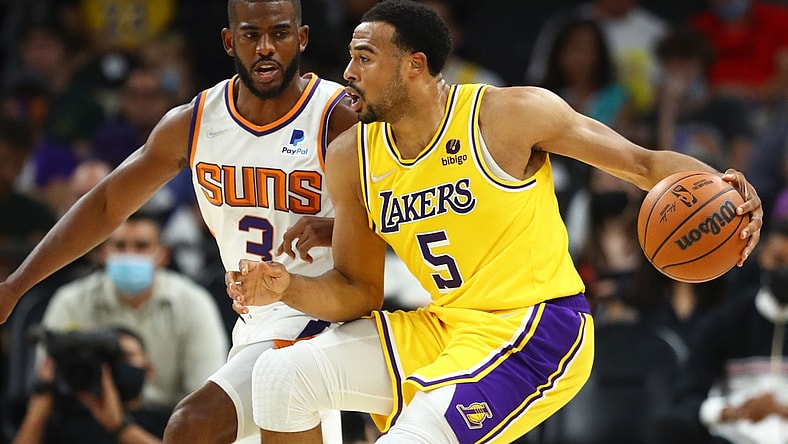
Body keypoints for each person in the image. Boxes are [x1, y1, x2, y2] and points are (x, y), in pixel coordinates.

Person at [226, 1, 764, 442]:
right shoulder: (351, 157)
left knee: (410, 439)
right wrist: (286, 287)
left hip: (539, 326)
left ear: (414, 64)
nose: (348, 72)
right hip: (444, 326)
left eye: (364, 58)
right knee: (281, 375)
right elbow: (358, 291)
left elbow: (644, 164)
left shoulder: (508, 116)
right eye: (350, 57)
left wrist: (724, 191)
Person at [0, 0, 358, 443]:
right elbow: (107, 203)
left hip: (323, 313)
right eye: (251, 35)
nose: (266, 48)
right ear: (230, 42)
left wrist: (334, 228)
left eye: (280, 34)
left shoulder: (338, 115)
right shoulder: (195, 123)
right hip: (254, 322)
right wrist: (15, 286)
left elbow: (395, 205)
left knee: (190, 427)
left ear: (300, 38)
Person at [40, 211, 229, 411]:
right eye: (120, 246)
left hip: (167, 423)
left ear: (163, 255)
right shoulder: (70, 302)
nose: (130, 254)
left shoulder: (194, 303)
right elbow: (45, 377)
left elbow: (208, 397)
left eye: (142, 246)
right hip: (86, 416)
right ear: (104, 253)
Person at [658, 218, 788, 444]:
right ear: (762, 256)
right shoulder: (724, 323)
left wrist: (782, 409)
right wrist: (732, 411)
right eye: (778, 260)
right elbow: (687, 398)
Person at [13, 326, 168, 443]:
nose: (113, 367)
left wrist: (120, 427)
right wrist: (41, 399)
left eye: (125, 356)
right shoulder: (63, 420)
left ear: (148, 370)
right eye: (106, 359)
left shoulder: (168, 422)